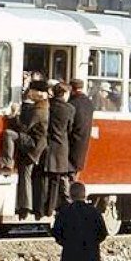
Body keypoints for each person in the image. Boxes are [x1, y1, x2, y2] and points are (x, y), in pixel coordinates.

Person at [0, 80, 50, 219]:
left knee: (8, 134)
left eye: (31, 90)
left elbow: (24, 128)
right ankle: (25, 207)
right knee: (25, 174)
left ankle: (7, 163)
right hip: (35, 146)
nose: (29, 93)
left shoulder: (39, 110)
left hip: (32, 145)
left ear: (39, 93)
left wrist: (14, 115)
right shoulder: (42, 107)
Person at [51, 182, 108, 261]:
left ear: (70, 195)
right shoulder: (94, 212)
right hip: (89, 257)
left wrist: (66, 243)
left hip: (70, 257)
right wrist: (92, 244)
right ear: (85, 195)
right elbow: (103, 233)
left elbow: (56, 233)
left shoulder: (64, 212)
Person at [45, 82, 75, 214]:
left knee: (45, 178)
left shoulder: (48, 105)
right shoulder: (69, 109)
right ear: (64, 94)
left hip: (47, 144)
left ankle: (46, 207)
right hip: (62, 146)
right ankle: (54, 207)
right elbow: (70, 128)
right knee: (57, 179)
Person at [67, 79, 94, 181]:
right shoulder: (88, 102)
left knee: (69, 172)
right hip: (84, 140)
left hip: (72, 141)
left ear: (71, 89)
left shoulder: (72, 103)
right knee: (76, 170)